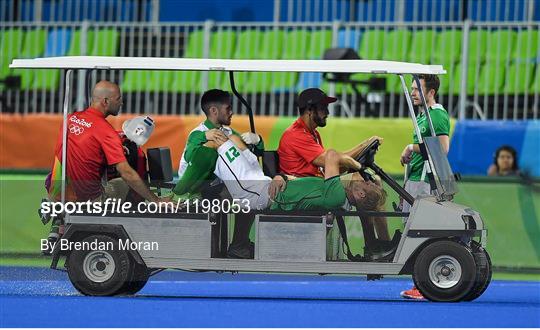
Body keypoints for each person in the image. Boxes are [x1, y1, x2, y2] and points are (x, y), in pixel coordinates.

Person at [44, 81, 169, 249]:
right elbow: (126, 172)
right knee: (131, 182)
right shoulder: (106, 132)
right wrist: (155, 200)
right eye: (118, 99)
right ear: (105, 101)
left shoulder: (71, 119)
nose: (122, 102)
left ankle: (58, 219)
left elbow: (81, 149)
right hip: (89, 200)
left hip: (57, 191)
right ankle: (131, 238)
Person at [277, 88, 391, 256]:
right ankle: (375, 245)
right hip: (306, 191)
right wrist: (363, 146)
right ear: (310, 110)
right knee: (363, 185)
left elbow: (332, 164)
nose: (327, 112)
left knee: (373, 183)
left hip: (318, 184)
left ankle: (377, 243)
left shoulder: (313, 134)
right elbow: (331, 159)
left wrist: (359, 158)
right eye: (323, 108)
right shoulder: (295, 135)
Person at [174, 133, 387, 215]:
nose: (363, 179)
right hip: (264, 184)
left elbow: (331, 155)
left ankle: (180, 193)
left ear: (359, 195)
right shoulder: (335, 191)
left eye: (367, 183)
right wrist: (281, 176)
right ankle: (193, 188)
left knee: (219, 142)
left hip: (257, 194)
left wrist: (359, 166)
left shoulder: (337, 196)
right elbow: (301, 183)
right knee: (232, 142)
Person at [174, 89, 264, 259]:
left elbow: (249, 154)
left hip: (217, 186)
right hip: (197, 189)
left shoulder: (229, 132)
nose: (232, 112)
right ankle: (238, 245)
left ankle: (239, 244)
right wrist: (203, 136)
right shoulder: (197, 133)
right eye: (228, 108)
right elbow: (191, 158)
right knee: (247, 197)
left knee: (250, 194)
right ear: (214, 111)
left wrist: (258, 141)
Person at [399, 74, 450, 300]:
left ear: (431, 92)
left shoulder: (437, 115)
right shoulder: (424, 116)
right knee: (413, 231)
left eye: (417, 89)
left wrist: (410, 147)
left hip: (425, 182)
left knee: (421, 232)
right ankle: (420, 285)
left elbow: (442, 148)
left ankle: (423, 286)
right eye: (412, 89)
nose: (413, 93)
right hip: (416, 180)